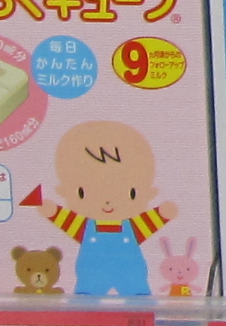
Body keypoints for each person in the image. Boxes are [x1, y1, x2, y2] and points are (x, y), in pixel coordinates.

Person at [30, 118, 177, 296]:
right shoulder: (85, 226)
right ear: (65, 192)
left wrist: (162, 214)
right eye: (82, 193)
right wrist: (53, 212)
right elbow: (67, 221)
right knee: (85, 301)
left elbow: (147, 223)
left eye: (131, 193)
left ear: (149, 193)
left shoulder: (132, 227)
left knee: (139, 298)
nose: (108, 201)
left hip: (130, 273)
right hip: (91, 273)